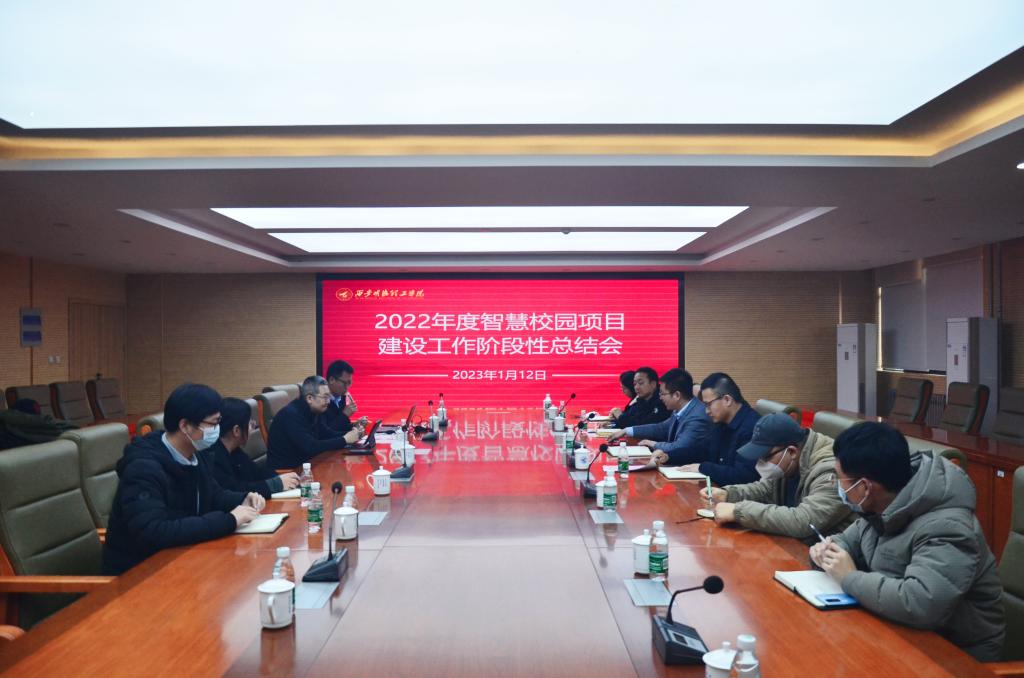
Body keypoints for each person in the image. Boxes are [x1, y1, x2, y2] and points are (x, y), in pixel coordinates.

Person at [810, 422, 1004, 661]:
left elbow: (920, 604)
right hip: (897, 632)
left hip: (954, 654)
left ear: (865, 487)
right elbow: (847, 541)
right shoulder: (882, 505)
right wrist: (827, 552)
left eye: (841, 479)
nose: (838, 487)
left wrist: (849, 578)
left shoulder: (948, 528)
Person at [102, 384, 264, 575]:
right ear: (185, 425)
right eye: (213, 424)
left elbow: (213, 494)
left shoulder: (196, 454)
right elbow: (154, 530)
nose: (217, 430)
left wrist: (243, 498)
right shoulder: (143, 468)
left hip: (185, 558)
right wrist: (229, 520)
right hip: (141, 572)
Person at [702, 412, 852, 540]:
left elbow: (804, 521)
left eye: (765, 457)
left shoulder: (832, 471)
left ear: (791, 452)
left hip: (825, 553)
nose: (759, 463)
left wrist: (739, 511)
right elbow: (766, 489)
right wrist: (729, 494)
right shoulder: (790, 462)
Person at [202, 397, 300, 498]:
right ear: (236, 431)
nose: (252, 429)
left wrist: (282, 478)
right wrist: (276, 484)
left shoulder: (235, 450)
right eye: (250, 424)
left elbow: (257, 473)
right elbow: (235, 489)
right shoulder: (213, 456)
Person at [609, 368, 710, 466]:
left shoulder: (696, 416)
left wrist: (653, 444)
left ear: (677, 395)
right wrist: (627, 430)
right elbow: (661, 427)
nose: (660, 397)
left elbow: (679, 447)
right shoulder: (680, 408)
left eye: (662, 393)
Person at [676, 372, 759, 485]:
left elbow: (743, 476)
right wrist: (667, 456)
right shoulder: (721, 422)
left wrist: (703, 467)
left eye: (708, 404)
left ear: (727, 400)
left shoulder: (753, 428)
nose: (706, 411)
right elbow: (701, 450)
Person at [267, 375, 364, 469]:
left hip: (307, 463)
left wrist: (353, 434)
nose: (328, 401)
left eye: (329, 397)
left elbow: (326, 433)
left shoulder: (313, 410)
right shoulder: (291, 415)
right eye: (325, 397)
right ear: (310, 398)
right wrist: (344, 440)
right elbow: (310, 447)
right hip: (287, 472)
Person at [319, 359, 368, 437]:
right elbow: (325, 434)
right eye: (345, 383)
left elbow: (342, 427)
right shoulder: (320, 400)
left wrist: (355, 425)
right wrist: (345, 415)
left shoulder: (341, 397)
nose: (347, 387)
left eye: (350, 383)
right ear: (331, 380)